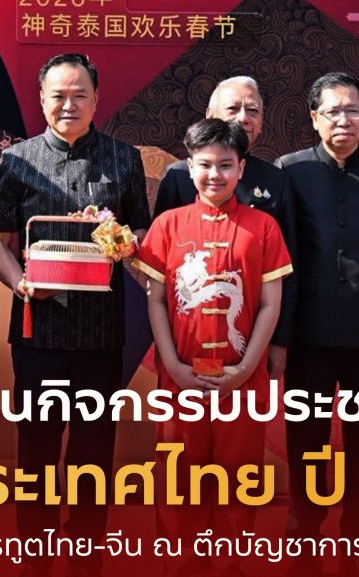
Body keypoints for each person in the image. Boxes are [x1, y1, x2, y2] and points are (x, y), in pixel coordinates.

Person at [0, 53, 150, 577]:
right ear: (41, 100)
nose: (69, 105)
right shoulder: (17, 161)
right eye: (58, 95)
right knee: (35, 451)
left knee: (92, 452)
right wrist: (19, 282)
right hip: (37, 333)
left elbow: (141, 232)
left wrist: (122, 240)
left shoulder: (124, 159)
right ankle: (34, 560)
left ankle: (85, 559)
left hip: (101, 334)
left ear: (96, 99)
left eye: (80, 95)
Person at [134, 118, 292, 577]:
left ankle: (229, 565)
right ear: (189, 166)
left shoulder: (263, 227)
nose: (215, 175)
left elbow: (270, 305)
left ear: (241, 169)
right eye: (204, 165)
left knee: (237, 479)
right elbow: (156, 300)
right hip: (180, 380)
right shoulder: (168, 225)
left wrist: (244, 370)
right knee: (178, 479)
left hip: (242, 381)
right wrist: (172, 365)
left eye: (226, 165)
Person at [154, 76, 297, 378]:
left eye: (252, 111)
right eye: (232, 108)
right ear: (210, 114)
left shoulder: (276, 180)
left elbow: (286, 275)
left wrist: (280, 342)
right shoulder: (177, 177)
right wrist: (170, 359)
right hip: (184, 345)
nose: (243, 118)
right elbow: (159, 279)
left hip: (247, 347)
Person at [276, 72, 359, 576]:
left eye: (353, 110)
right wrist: (280, 339)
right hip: (308, 337)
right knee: (306, 442)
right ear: (313, 118)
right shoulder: (292, 170)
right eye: (333, 111)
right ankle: (304, 535)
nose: (344, 120)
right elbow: (280, 262)